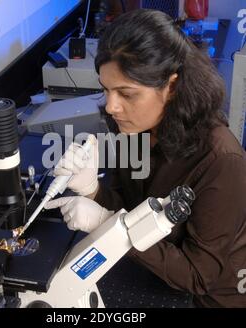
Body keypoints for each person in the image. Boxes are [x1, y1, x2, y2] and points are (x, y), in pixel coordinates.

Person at [45, 9, 246, 308]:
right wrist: (92, 190)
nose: (111, 107)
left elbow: (198, 276)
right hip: (152, 269)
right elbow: (130, 207)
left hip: (207, 297)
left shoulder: (221, 159)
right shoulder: (135, 128)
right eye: (106, 90)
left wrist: (109, 223)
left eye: (127, 94)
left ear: (172, 86)